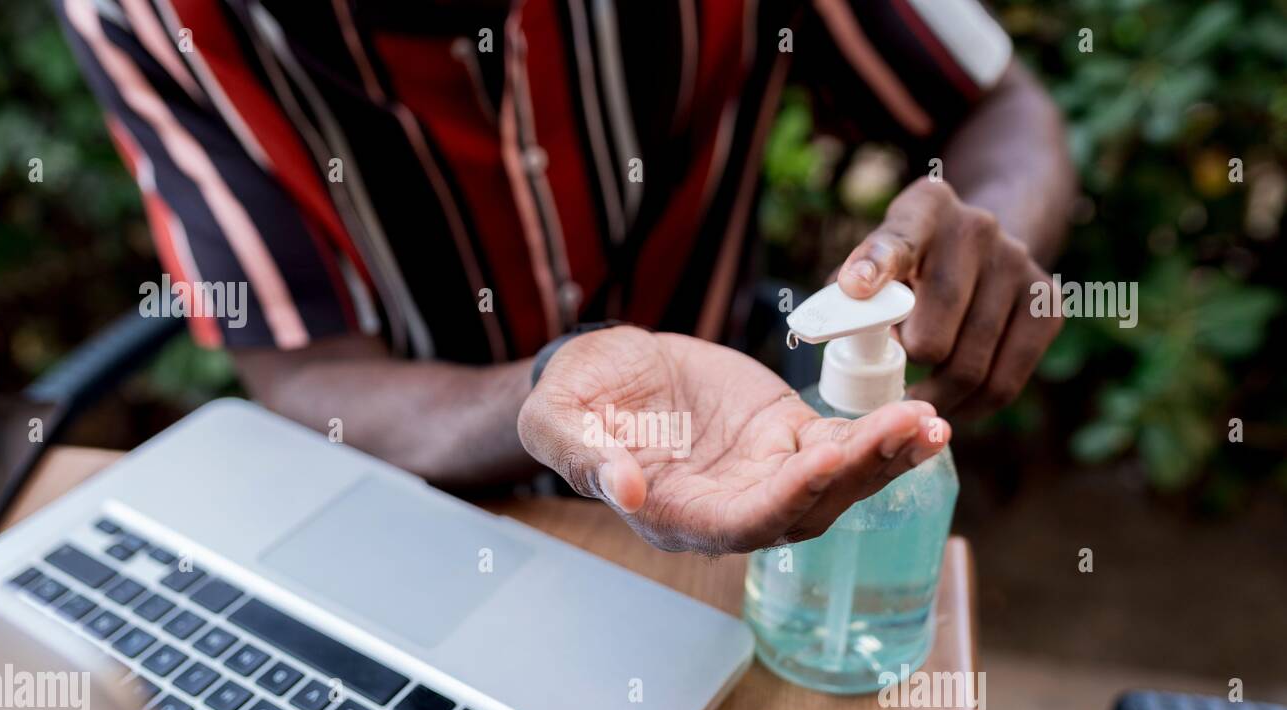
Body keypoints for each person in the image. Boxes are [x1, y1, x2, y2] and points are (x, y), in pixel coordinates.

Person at [56, 0, 1073, 553]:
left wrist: (974, 254)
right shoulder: (145, 15)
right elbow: (307, 372)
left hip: (751, 462)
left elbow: (1001, 111)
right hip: (418, 524)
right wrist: (552, 386)